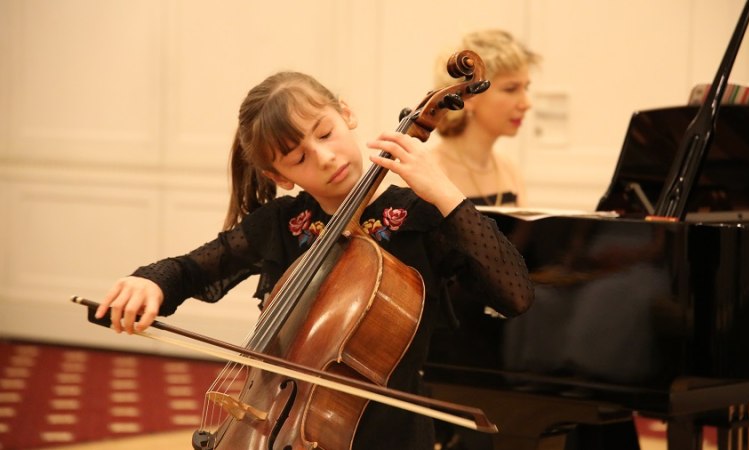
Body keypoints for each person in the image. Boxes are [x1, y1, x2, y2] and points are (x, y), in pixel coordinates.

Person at [94, 70, 535, 450]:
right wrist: (150, 281)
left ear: (346, 114)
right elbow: (191, 270)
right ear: (279, 176)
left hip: (391, 436)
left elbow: (514, 294)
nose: (325, 158)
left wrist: (444, 192)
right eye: (299, 157)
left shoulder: (419, 218)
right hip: (283, 428)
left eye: (325, 133)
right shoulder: (283, 224)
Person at [429, 29, 540, 207]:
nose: (526, 103)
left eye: (525, 88)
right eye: (510, 89)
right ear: (469, 96)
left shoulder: (509, 170)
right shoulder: (429, 173)